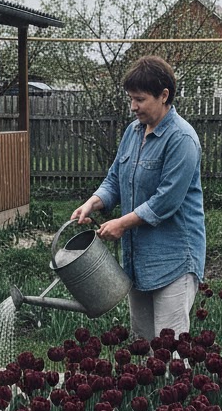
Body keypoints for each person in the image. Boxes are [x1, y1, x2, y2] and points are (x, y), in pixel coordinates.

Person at [69, 56, 205, 340]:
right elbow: (114, 180)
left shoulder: (182, 139)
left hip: (173, 259)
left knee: (169, 347)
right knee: (142, 344)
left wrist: (121, 224)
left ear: (164, 95)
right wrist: (92, 203)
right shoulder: (133, 132)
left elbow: (165, 201)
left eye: (140, 99)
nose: (133, 106)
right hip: (138, 260)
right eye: (131, 98)